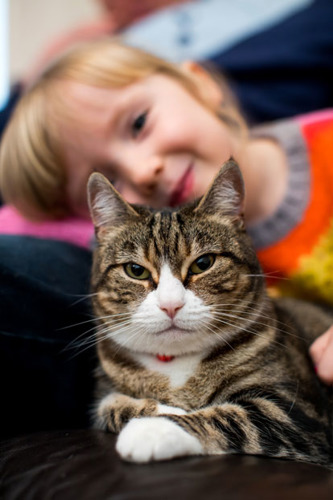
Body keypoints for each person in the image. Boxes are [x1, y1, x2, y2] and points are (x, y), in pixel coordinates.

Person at [0, 40, 332, 437]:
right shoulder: (126, 236)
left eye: (138, 124)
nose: (143, 172)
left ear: (200, 83)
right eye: (112, 178)